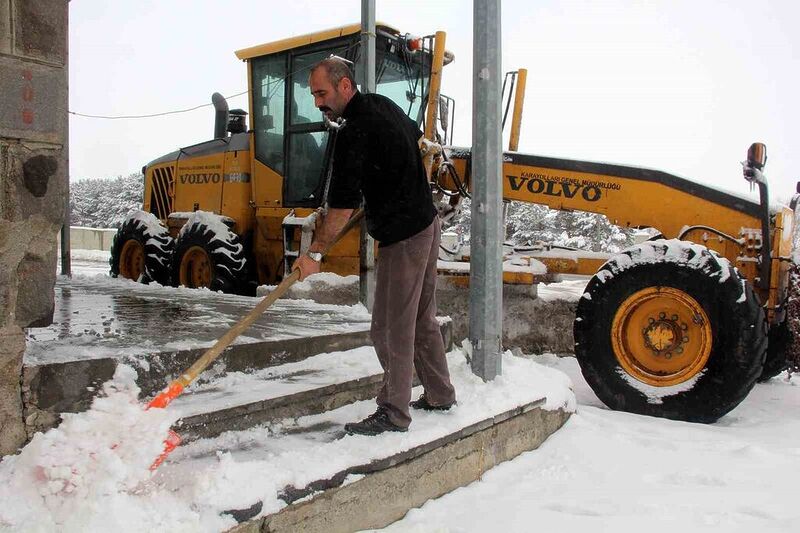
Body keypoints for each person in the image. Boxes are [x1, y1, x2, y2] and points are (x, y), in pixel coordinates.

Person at [292, 57, 456, 436]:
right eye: (314, 94)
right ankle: (440, 394)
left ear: (345, 86)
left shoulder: (353, 131)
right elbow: (415, 141)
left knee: (389, 327)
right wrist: (387, 182)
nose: (318, 102)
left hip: (404, 236)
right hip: (426, 223)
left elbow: (340, 207)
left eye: (322, 93)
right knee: (420, 318)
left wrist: (315, 253)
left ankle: (393, 413)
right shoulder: (383, 104)